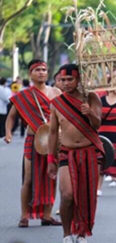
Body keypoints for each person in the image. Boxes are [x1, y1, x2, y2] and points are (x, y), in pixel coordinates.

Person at [47, 64, 104, 243]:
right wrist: (50, 159)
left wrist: (90, 113)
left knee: (86, 194)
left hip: (89, 152)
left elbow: (97, 125)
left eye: (70, 79)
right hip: (66, 153)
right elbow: (53, 132)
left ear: (79, 79)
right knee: (67, 195)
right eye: (62, 80)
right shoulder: (56, 103)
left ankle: (81, 233)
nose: (65, 83)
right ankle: (66, 234)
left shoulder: (92, 98)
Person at [5, 59, 62, 228]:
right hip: (33, 140)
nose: (41, 72)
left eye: (44, 69)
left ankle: (47, 215)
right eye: (37, 70)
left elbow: (65, 115)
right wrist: (8, 133)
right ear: (30, 73)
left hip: (53, 140)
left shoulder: (57, 92)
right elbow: (11, 117)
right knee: (28, 178)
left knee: (51, 176)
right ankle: (24, 216)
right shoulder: (24, 95)